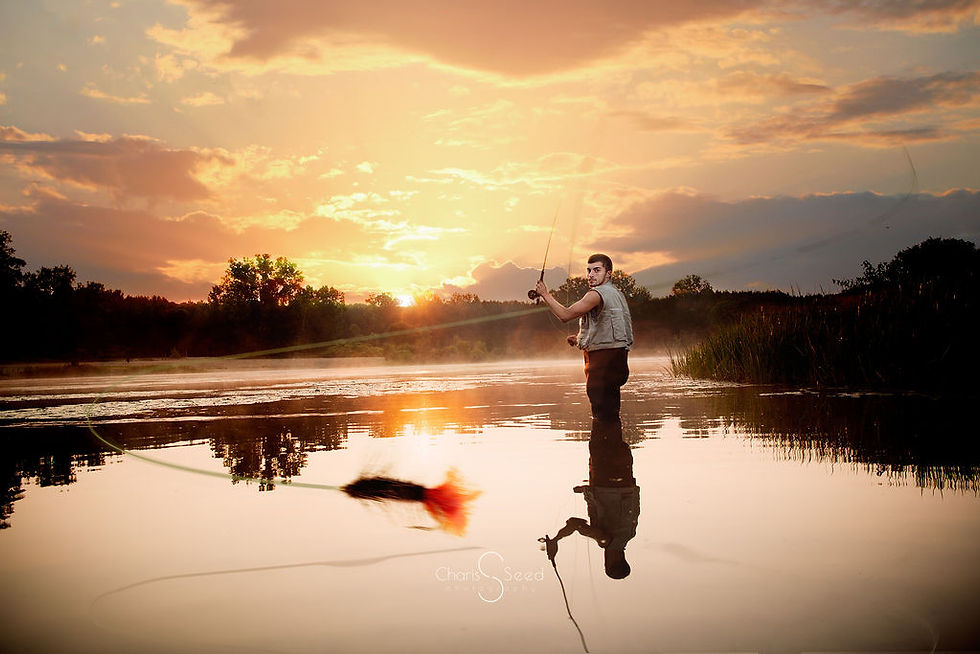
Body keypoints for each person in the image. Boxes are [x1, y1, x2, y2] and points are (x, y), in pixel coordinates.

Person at [535, 253, 634, 422]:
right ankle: (614, 445)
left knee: (602, 417)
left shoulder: (595, 294)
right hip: (618, 362)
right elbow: (608, 329)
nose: (591, 275)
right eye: (589, 271)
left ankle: (604, 445)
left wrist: (545, 294)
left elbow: (565, 315)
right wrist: (579, 339)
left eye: (597, 270)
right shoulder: (617, 294)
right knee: (611, 414)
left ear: (608, 273)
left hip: (602, 366)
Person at [540, 419, 640, 579]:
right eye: (606, 563)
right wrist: (555, 540)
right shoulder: (606, 540)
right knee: (600, 420)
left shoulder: (630, 533)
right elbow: (575, 523)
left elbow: (618, 503)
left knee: (609, 419)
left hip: (623, 467)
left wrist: (585, 491)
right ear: (612, 561)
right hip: (604, 470)